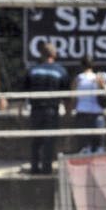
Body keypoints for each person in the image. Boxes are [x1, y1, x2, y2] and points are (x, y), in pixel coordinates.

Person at [22, 42, 69, 175]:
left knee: (36, 140)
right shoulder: (60, 70)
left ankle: (34, 168)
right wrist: (68, 114)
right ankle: (46, 169)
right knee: (49, 141)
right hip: (51, 111)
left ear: (41, 54)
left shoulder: (32, 70)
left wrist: (20, 110)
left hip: (36, 110)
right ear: (54, 54)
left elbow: (23, 92)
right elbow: (66, 96)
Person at [72, 57, 106, 154]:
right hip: (97, 115)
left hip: (82, 114)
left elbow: (74, 98)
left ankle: (85, 168)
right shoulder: (100, 78)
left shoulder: (78, 79)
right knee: (99, 146)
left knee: (84, 147)